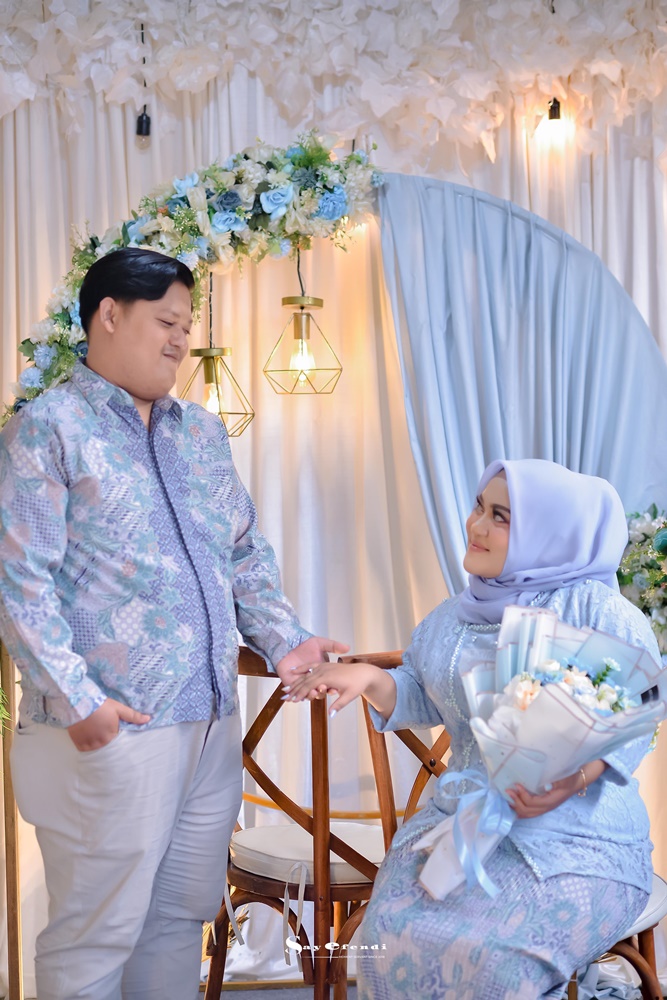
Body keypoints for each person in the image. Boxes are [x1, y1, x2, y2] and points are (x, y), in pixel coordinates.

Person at [0, 247, 348, 1000]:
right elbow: (18, 581)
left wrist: (286, 642)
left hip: (210, 724)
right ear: (109, 314)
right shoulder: (48, 428)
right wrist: (77, 699)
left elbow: (242, 553)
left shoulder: (200, 433)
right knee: (94, 936)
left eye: (187, 327)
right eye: (167, 322)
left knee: (178, 922)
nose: (181, 341)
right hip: (107, 726)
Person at [286, 459, 659, 1000]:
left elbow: (638, 712)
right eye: (479, 507)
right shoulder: (453, 616)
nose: (475, 525)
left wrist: (572, 780)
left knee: (498, 964)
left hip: (577, 842)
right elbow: (421, 690)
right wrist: (370, 677)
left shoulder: (593, 608)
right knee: (389, 938)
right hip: (463, 824)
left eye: (501, 516)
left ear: (548, 533)